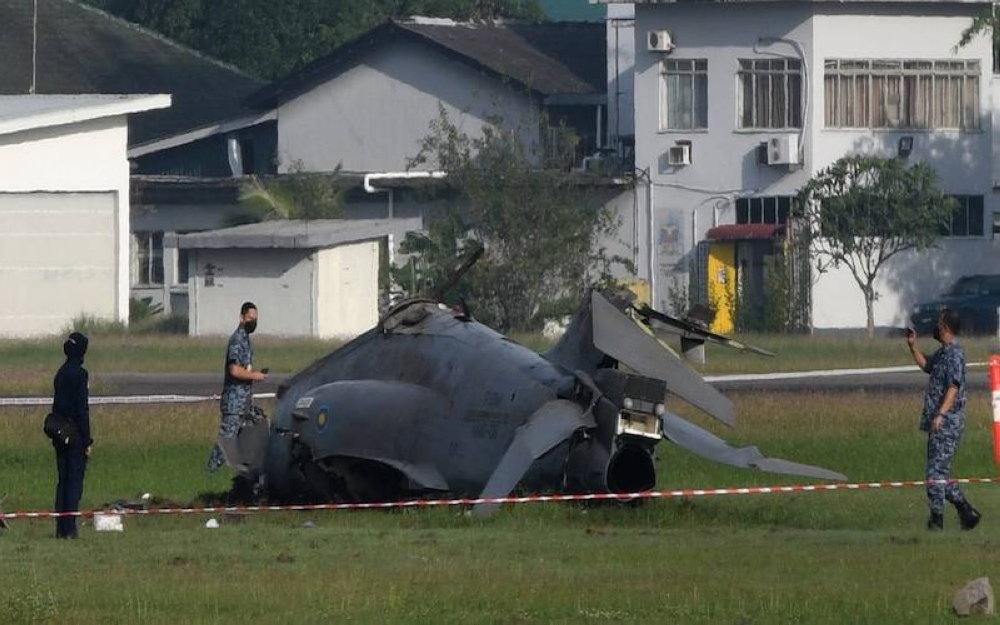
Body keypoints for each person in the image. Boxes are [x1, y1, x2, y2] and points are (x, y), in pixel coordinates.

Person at [906, 308, 981, 531]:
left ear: (946, 328)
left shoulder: (956, 354)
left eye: (939, 324)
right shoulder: (943, 353)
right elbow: (927, 366)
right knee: (939, 473)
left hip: (947, 423)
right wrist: (913, 346)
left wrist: (941, 414)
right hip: (936, 423)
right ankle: (967, 512)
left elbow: (953, 387)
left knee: (934, 474)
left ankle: (936, 521)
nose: (936, 327)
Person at [206, 302, 267, 472]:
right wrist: (255, 375)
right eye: (250, 319)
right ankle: (211, 472)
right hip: (234, 402)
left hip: (245, 402)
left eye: (255, 319)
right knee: (227, 439)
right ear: (241, 317)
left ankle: (247, 471)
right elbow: (234, 370)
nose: (252, 322)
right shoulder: (237, 340)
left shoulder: (247, 340)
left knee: (251, 434)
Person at [52, 332, 93, 539]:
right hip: (75, 435)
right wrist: (87, 440)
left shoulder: (60, 373)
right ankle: (70, 528)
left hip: (59, 434)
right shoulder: (80, 374)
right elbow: (82, 410)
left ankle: (61, 527)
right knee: (74, 482)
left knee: (63, 480)